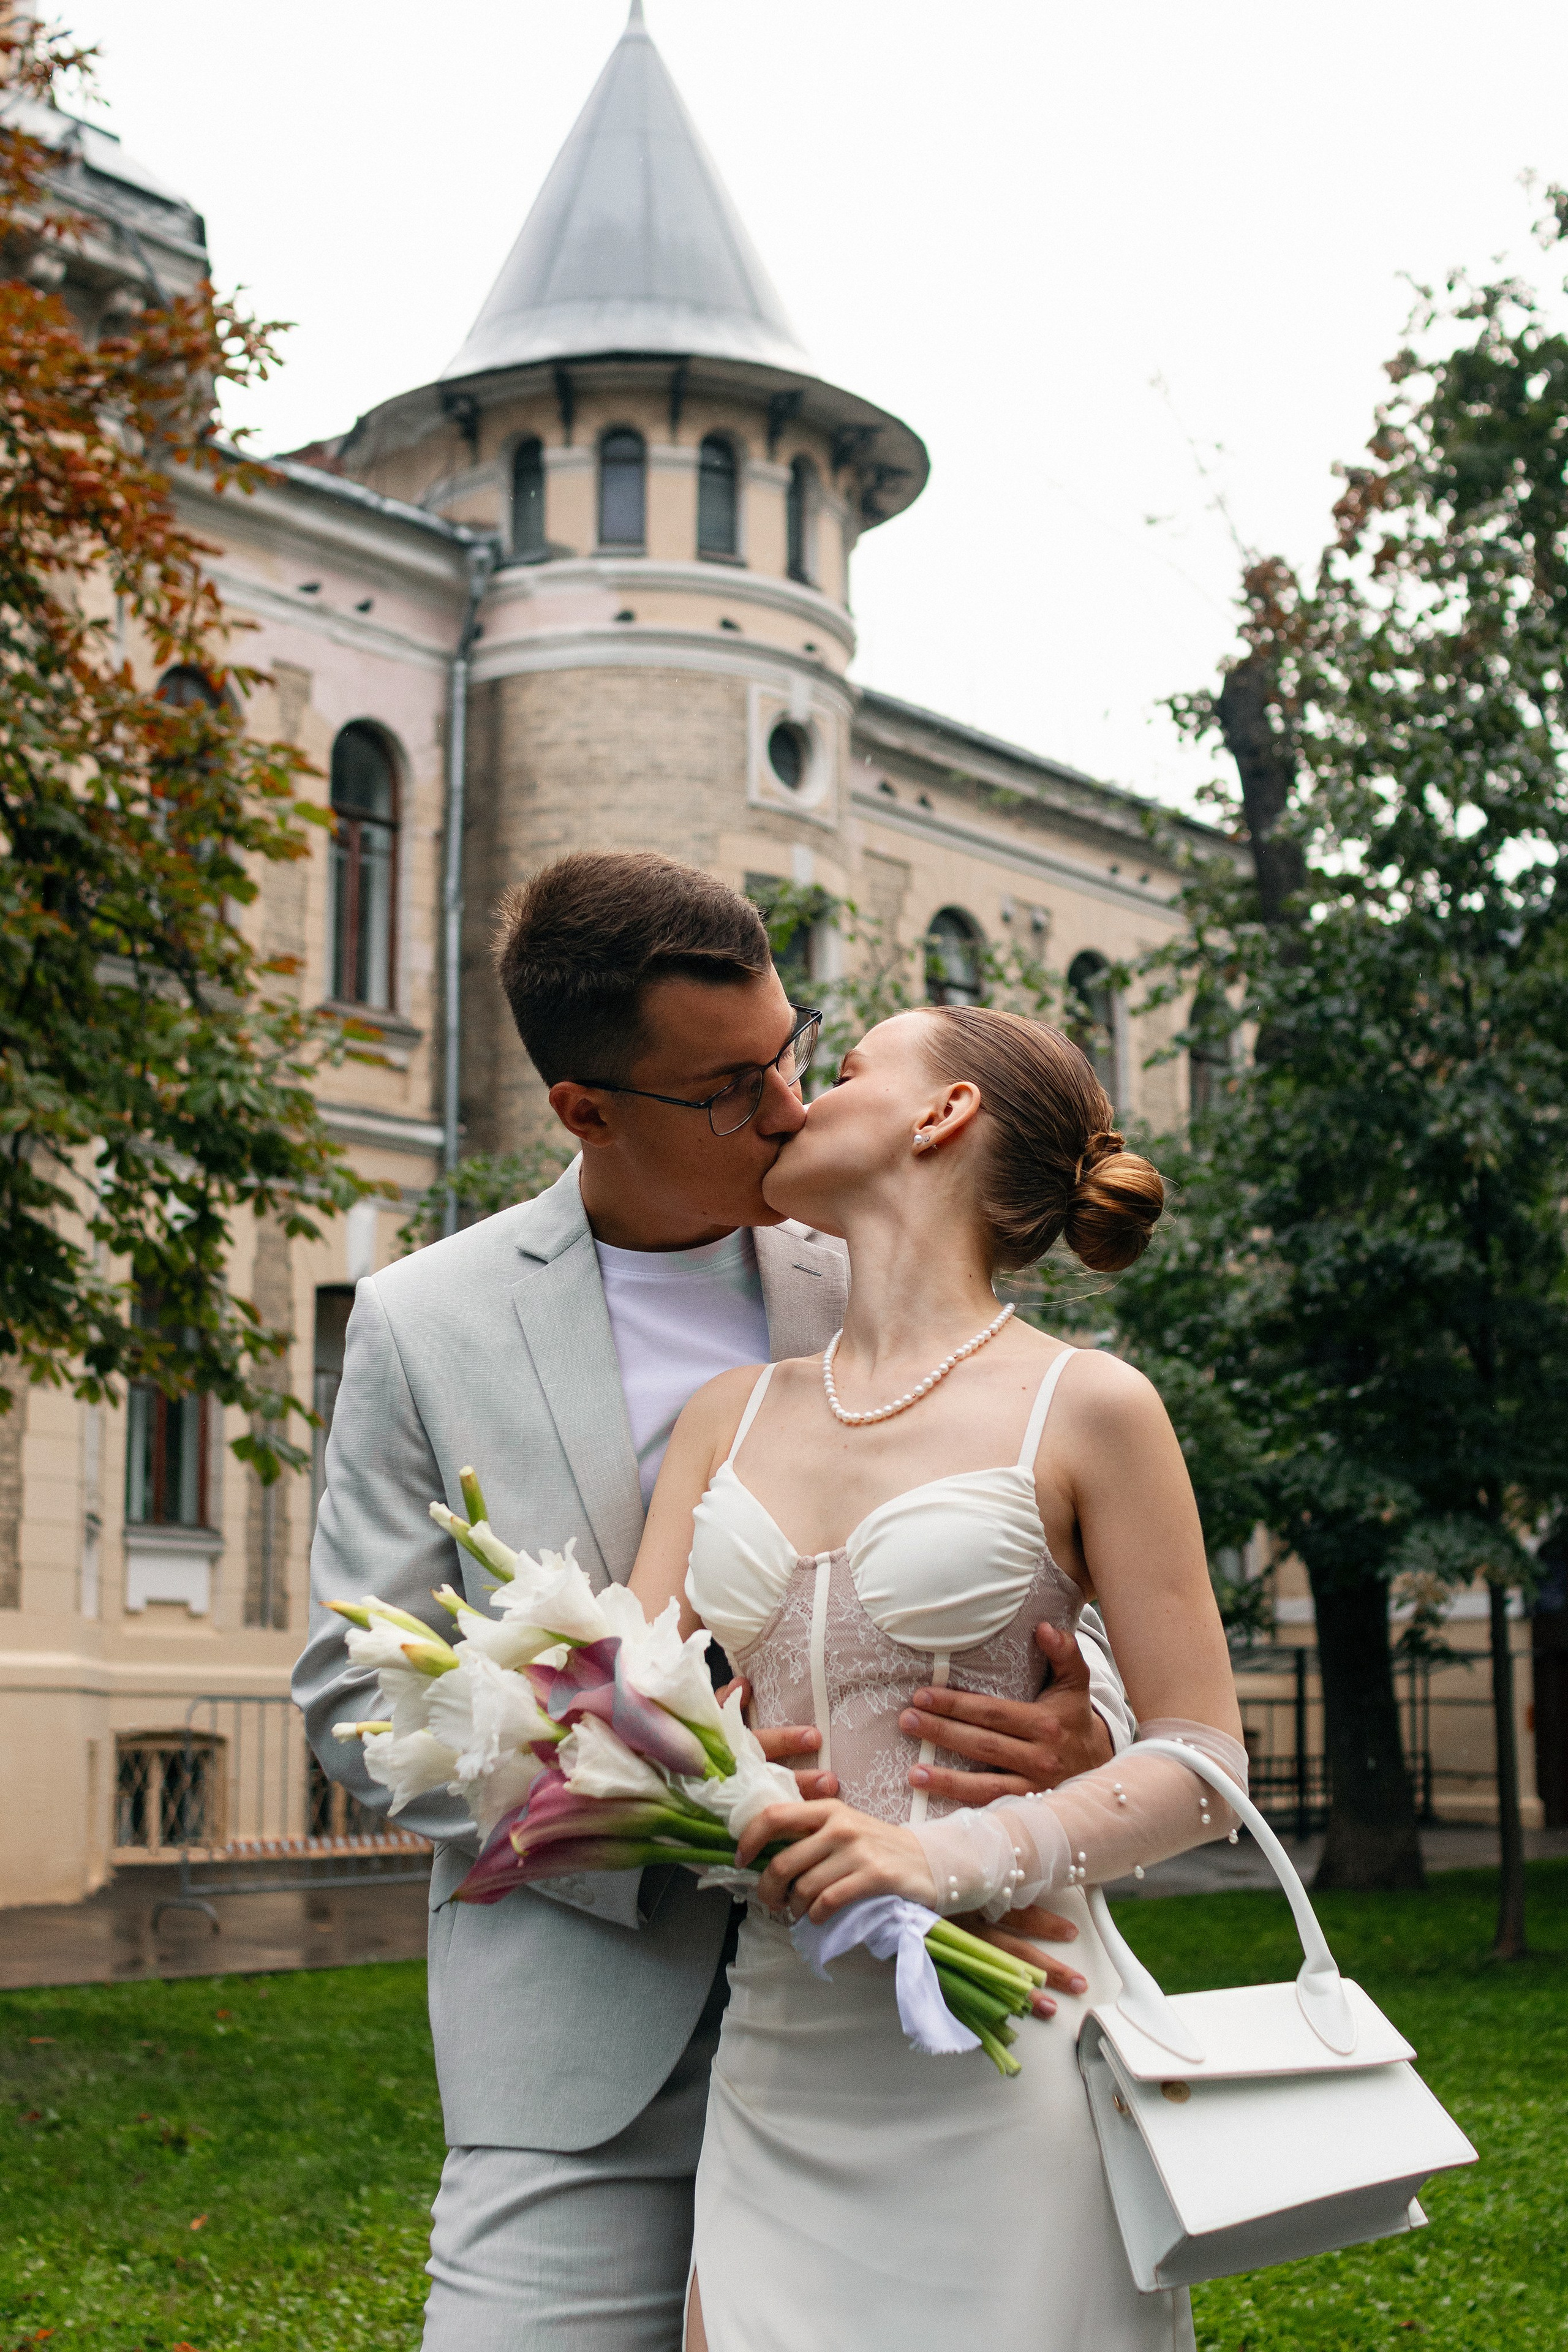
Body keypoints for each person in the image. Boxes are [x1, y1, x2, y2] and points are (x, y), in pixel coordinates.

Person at [293, 851, 1138, 2352]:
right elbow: (359, 1693)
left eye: (790, 1051)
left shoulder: (881, 1247)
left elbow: (1057, 1564)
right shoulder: (426, 1322)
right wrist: (657, 1807)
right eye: (727, 1089)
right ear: (585, 1110)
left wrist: (1088, 1732)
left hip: (916, 2020)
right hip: (574, 2041)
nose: (786, 1107)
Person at [626, 1002, 1246, 2352]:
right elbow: (612, 1710)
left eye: (844, 1069)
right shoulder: (727, 1413)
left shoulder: (1091, 1406)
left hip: (1009, 2035)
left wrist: (943, 1860)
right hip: (782, 2050)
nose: (794, 1102)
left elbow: (1206, 1765)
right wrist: (710, 1772)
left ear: (941, 1113)